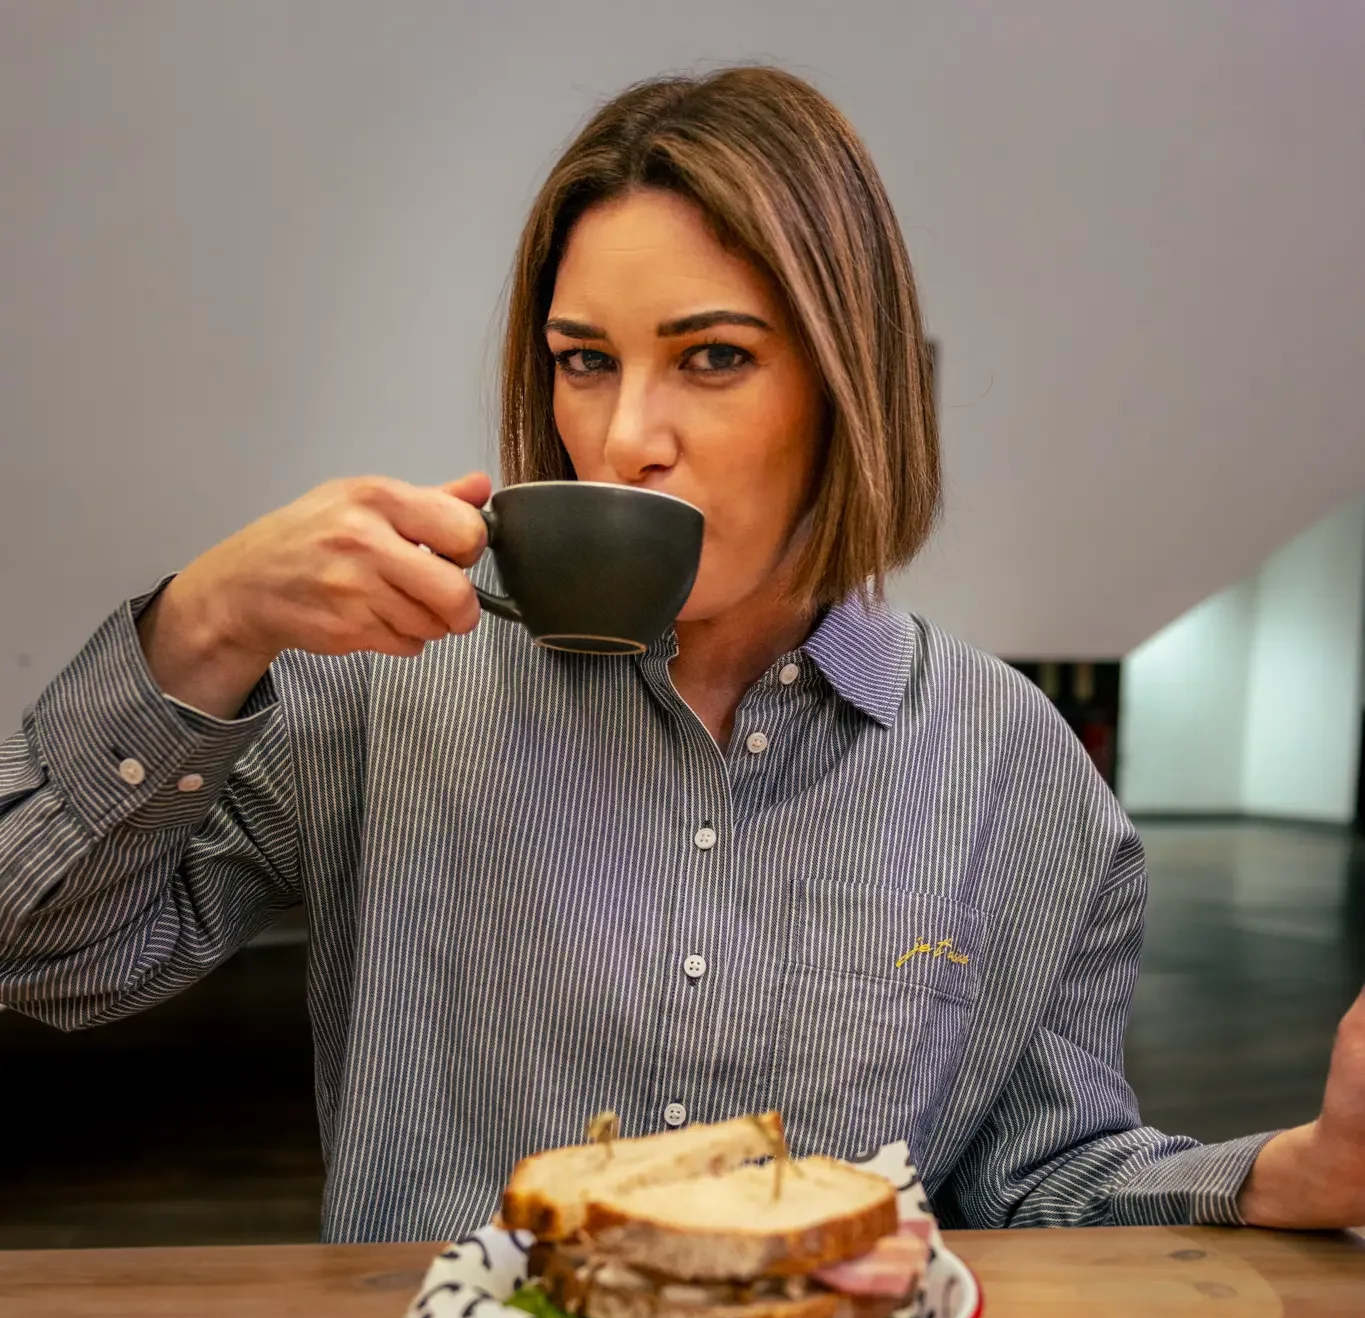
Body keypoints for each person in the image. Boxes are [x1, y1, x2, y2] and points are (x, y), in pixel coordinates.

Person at [2, 66, 1362, 1243]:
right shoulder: (390, 679)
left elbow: (1046, 1187)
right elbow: (39, 954)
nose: (623, 436)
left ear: (847, 387)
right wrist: (204, 629)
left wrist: (1296, 1173)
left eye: (711, 358)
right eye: (582, 360)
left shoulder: (1013, 769)